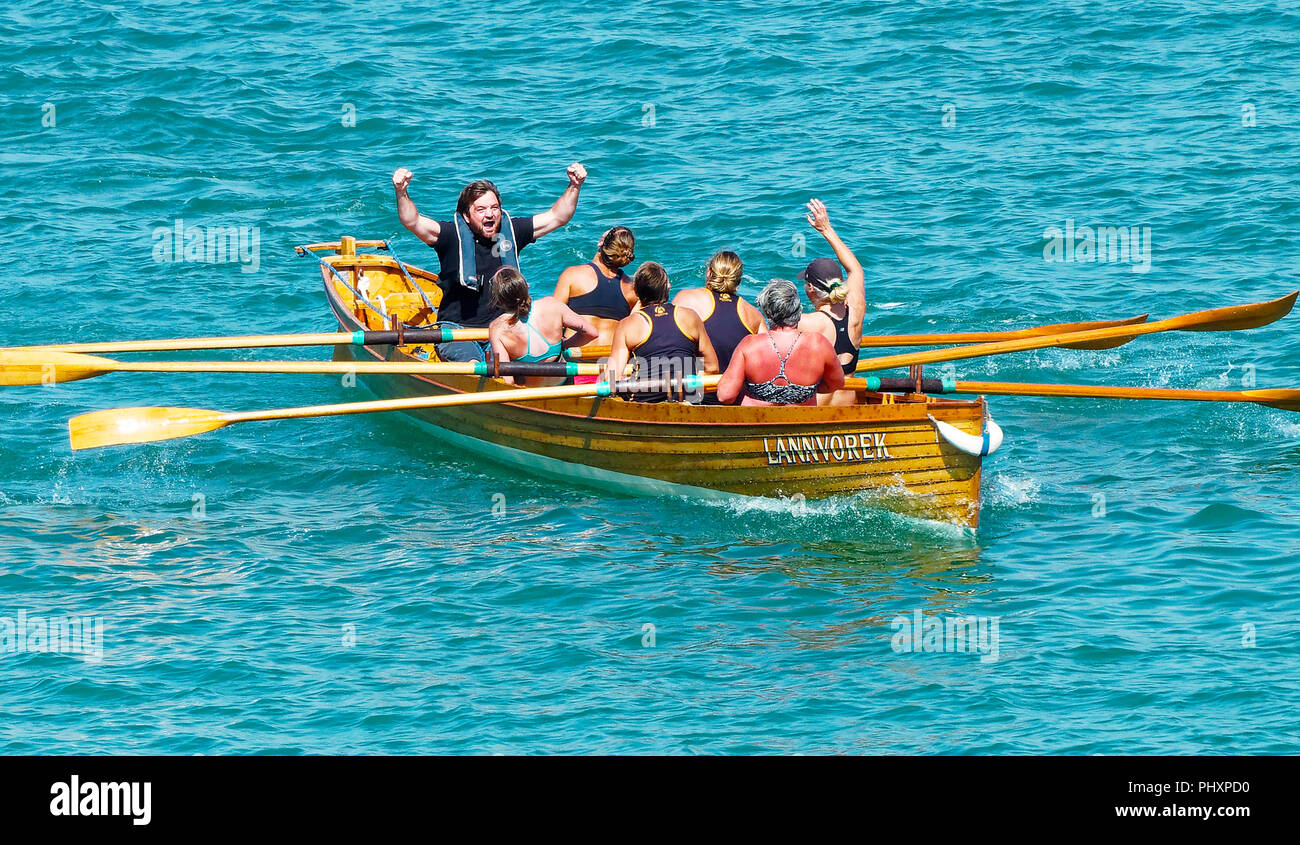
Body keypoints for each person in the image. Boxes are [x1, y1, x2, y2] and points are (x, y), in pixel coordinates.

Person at [391, 162, 588, 361]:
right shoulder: (451, 236)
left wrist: (575, 186)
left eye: (494, 208)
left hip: (504, 328)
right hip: (458, 331)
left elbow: (557, 217)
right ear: (467, 216)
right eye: (481, 209)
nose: (490, 214)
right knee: (475, 365)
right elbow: (412, 221)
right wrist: (401, 191)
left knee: (538, 358)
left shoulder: (511, 232)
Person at [716, 280, 844, 406]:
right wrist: (806, 391)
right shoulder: (819, 344)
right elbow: (836, 383)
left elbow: (725, 396)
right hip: (801, 422)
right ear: (799, 311)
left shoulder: (750, 345)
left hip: (757, 423)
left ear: (767, 312)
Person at [604, 262, 719, 402]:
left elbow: (611, 378)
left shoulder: (627, 325)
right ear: (668, 287)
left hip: (644, 400)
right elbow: (712, 368)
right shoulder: (690, 316)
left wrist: (625, 382)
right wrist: (693, 387)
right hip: (686, 397)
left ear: (636, 293)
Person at [795, 199, 866, 405]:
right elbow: (855, 269)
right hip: (847, 405)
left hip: (817, 412)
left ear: (809, 290)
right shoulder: (856, 309)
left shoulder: (806, 323)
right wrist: (826, 229)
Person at [553, 227, 638, 384]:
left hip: (576, 364)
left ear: (601, 244)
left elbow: (551, 323)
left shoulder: (573, 275)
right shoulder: (632, 290)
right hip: (612, 369)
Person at [487, 268, 598, 387]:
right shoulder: (552, 305)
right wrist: (564, 345)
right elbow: (591, 333)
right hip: (563, 384)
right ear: (526, 287)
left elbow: (507, 379)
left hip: (530, 391)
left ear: (499, 301)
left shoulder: (497, 328)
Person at [671, 250, 766, 374]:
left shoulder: (686, 299)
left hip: (696, 390)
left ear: (708, 272)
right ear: (738, 280)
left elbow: (667, 343)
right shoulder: (753, 315)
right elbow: (767, 359)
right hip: (735, 391)